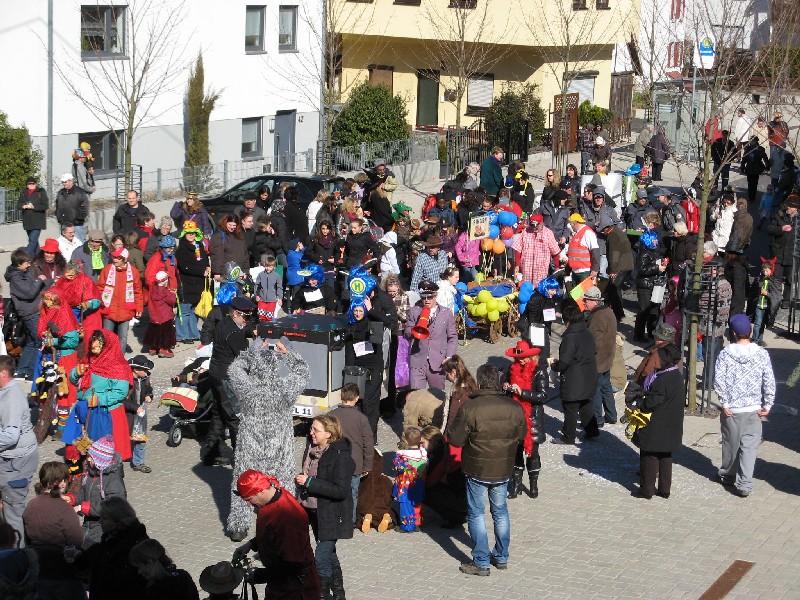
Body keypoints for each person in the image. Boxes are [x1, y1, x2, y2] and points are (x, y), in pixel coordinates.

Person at [225, 338, 309, 542]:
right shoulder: (284, 389)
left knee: (243, 480)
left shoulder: (247, 388)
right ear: (275, 368)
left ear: (254, 367)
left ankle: (238, 525)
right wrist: (288, 352)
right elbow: (302, 372)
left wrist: (251, 352)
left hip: (250, 444)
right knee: (283, 482)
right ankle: (285, 519)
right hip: (278, 445)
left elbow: (234, 369)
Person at [447, 363, 525, 576]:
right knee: (500, 511)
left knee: (477, 513)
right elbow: (521, 435)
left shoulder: (470, 407)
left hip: (477, 468)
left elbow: (455, 439)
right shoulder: (514, 407)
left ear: (480, 383)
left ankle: (481, 561)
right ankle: (501, 556)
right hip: (503, 468)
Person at [232, 470, 320, 599]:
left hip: (295, 589)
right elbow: (272, 532)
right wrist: (251, 544)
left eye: (249, 499)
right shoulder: (273, 497)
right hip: (281, 584)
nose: (248, 504)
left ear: (261, 491)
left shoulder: (287, 518)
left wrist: (259, 575)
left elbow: (292, 566)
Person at [714, 314, 775, 497]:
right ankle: (745, 484)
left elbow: (719, 380)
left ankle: (728, 475)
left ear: (733, 333)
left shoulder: (725, 354)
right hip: (754, 408)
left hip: (732, 409)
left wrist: (724, 402)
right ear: (750, 331)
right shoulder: (761, 354)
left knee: (730, 444)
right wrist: (768, 403)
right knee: (749, 447)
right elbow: (769, 380)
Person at [295, 416, 354, 599]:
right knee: (329, 555)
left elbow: (340, 490)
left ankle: (321, 595)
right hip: (314, 510)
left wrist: (310, 482)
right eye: (311, 428)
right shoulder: (312, 449)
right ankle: (339, 594)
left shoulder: (341, 456)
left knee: (320, 558)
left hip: (332, 514)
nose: (311, 433)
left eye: (316, 430)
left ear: (329, 434)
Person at [62, 330, 134, 461]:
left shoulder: (118, 366)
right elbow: (75, 381)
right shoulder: (89, 359)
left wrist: (100, 400)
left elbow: (120, 392)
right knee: (80, 445)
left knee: (102, 451)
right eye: (93, 341)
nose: (93, 346)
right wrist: (76, 373)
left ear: (108, 345)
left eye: (99, 342)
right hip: (85, 407)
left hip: (105, 412)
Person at [202, 296, 256, 466]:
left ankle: (212, 454)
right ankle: (241, 460)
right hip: (227, 378)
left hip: (216, 373)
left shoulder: (224, 323)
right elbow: (245, 357)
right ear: (236, 314)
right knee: (235, 417)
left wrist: (250, 331)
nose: (247, 321)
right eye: (245, 317)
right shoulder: (233, 334)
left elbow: (241, 330)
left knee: (219, 414)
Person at [22, 462, 85, 599]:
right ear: (62, 482)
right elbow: (76, 540)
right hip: (60, 568)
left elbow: (27, 536)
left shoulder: (31, 505)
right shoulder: (65, 509)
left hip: (36, 565)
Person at [631, 343, 685, 499]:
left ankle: (646, 490)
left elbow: (651, 402)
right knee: (665, 456)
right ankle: (664, 490)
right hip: (672, 425)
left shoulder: (662, 379)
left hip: (656, 425)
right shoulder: (676, 375)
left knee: (649, 456)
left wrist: (639, 403)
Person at [72, 496, 149, 600]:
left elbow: (114, 576)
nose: (100, 522)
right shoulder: (110, 536)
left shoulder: (133, 544)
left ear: (119, 521)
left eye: (104, 518)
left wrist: (93, 549)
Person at [345, 279, 392, 442]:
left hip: (373, 369)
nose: (358, 313)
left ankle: (371, 438)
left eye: (361, 310)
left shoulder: (372, 321)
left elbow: (387, 322)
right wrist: (349, 373)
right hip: (358, 370)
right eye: (356, 311)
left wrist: (371, 309)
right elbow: (350, 353)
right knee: (357, 403)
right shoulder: (351, 327)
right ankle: (358, 436)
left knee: (369, 405)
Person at [0, 355, 39, 545]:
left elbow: (10, 436)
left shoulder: (12, 397)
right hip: (11, 459)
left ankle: (17, 553)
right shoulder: (6, 391)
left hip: (16, 462)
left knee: (13, 511)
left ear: (3, 373)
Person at [503, 341, 548, 500]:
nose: (521, 359)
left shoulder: (539, 371)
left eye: (524, 357)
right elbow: (505, 392)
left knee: (532, 453)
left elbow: (542, 396)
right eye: (518, 357)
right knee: (515, 452)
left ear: (531, 356)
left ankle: (533, 485)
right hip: (515, 418)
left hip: (532, 418)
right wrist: (506, 388)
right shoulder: (511, 369)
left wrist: (523, 393)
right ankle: (516, 485)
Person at [549, 302, 599, 445]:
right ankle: (592, 432)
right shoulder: (587, 332)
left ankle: (568, 436)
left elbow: (564, 362)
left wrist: (554, 366)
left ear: (568, 321)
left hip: (574, 379)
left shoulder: (570, 337)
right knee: (586, 405)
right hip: (589, 375)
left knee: (570, 408)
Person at [37, 289, 81, 437]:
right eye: (45, 299)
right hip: (49, 357)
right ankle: (47, 421)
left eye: (51, 300)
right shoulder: (46, 313)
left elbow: (73, 340)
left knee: (63, 391)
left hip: (64, 359)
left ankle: (63, 426)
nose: (47, 303)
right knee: (47, 390)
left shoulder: (64, 315)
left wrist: (54, 341)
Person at [70, 435, 128, 546]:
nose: (88, 459)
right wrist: (72, 498)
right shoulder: (92, 472)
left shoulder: (114, 480)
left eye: (91, 457)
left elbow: (112, 506)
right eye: (89, 456)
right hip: (89, 524)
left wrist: (83, 508)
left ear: (100, 461)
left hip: (104, 528)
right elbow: (85, 493)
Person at [328, 383, 373, 524]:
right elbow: (368, 444)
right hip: (355, 463)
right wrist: (368, 465)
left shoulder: (331, 416)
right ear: (357, 398)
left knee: (334, 491)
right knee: (352, 493)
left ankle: (335, 518)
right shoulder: (361, 418)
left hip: (335, 461)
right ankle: (350, 521)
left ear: (340, 396)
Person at [405, 279, 457, 393]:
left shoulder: (446, 313)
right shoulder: (415, 311)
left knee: (437, 396)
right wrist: (415, 329)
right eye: (423, 297)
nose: (426, 300)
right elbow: (407, 332)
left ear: (435, 296)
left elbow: (452, 337)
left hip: (438, 362)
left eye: (430, 297)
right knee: (416, 396)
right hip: (418, 361)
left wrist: (449, 357)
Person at [4, 249, 45, 380]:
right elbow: (29, 293)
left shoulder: (24, 272)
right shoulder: (16, 278)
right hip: (29, 312)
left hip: (34, 310)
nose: (29, 265)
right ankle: (31, 371)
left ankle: (22, 370)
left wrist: (49, 282)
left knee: (32, 341)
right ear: (19, 264)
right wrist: (38, 280)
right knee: (39, 340)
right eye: (26, 263)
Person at [584, 286, 618, 427]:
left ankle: (597, 419)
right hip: (607, 358)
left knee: (596, 391)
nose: (584, 303)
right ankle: (611, 415)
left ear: (594, 301)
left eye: (586, 300)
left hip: (598, 361)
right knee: (606, 388)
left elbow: (595, 344)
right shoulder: (608, 311)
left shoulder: (597, 318)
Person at [98, 247, 144, 351]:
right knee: (107, 337)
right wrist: (101, 303)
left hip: (125, 310)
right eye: (114, 257)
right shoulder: (107, 270)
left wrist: (139, 308)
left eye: (118, 258)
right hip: (109, 310)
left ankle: (120, 358)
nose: (115, 260)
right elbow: (100, 288)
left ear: (124, 259)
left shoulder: (133, 272)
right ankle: (106, 357)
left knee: (122, 338)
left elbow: (137, 291)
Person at [175, 220, 210, 343]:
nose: (191, 235)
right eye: (189, 233)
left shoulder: (199, 246)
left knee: (194, 311)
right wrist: (201, 271)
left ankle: (192, 333)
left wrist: (207, 267)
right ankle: (181, 334)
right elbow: (184, 266)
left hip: (198, 284)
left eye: (193, 233)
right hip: (187, 284)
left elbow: (205, 259)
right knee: (184, 311)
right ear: (184, 234)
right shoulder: (181, 249)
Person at [128, 539, 200, 599]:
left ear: (150, 563)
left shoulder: (156, 591)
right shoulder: (183, 575)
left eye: (139, 567)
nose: (139, 572)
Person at [393, 426, 428, 533]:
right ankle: (417, 522)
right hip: (419, 483)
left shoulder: (402, 455)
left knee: (405, 504)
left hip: (406, 485)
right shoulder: (423, 454)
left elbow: (399, 468)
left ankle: (407, 526)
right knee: (416, 502)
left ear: (407, 441)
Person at [634, 231, 667, 342]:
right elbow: (642, 269)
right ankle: (639, 334)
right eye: (654, 239)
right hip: (645, 285)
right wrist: (657, 268)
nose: (656, 241)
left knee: (654, 310)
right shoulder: (643, 253)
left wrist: (661, 266)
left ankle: (651, 331)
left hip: (652, 284)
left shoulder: (652, 252)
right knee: (644, 310)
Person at [766, 195, 799, 308]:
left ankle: (786, 300)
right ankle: (775, 298)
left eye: (791, 206)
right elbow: (769, 229)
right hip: (778, 253)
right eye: (788, 205)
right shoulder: (779, 216)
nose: (788, 207)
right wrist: (781, 229)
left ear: (796, 208)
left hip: (792, 255)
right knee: (776, 279)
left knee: (790, 279)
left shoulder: (798, 221)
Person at [512, 214, 561, 287]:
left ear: (541, 223)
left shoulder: (548, 233)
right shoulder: (526, 231)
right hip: (526, 269)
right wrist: (517, 265)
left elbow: (555, 252)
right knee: (526, 288)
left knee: (540, 289)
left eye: (536, 226)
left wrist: (557, 267)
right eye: (532, 225)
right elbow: (518, 249)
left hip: (541, 270)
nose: (534, 228)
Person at [125, 355, 154, 473]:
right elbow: (121, 400)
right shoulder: (125, 380)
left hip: (140, 413)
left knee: (140, 437)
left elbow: (148, 389)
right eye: (145, 370)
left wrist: (149, 395)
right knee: (122, 437)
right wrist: (135, 407)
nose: (147, 373)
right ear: (136, 370)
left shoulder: (144, 378)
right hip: (127, 414)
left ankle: (138, 462)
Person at [144, 271, 177, 358]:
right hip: (165, 316)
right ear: (165, 281)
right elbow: (173, 301)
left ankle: (153, 348)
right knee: (166, 334)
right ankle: (164, 349)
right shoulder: (166, 292)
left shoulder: (152, 290)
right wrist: (173, 294)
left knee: (155, 332)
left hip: (154, 316)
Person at [210, 214, 249, 280]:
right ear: (225, 223)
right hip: (225, 273)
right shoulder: (219, 236)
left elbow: (245, 255)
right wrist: (217, 272)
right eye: (230, 225)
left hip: (239, 273)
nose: (232, 227)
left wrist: (246, 271)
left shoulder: (240, 236)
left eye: (234, 225)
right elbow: (217, 256)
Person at [564, 212, 600, 284]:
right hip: (575, 270)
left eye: (571, 224)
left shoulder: (588, 233)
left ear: (574, 223)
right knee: (576, 291)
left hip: (585, 271)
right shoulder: (576, 234)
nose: (570, 227)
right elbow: (573, 254)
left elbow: (595, 251)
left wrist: (595, 269)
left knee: (585, 291)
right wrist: (568, 269)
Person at [752, 258, 781, 345]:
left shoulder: (774, 281)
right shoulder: (759, 279)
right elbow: (753, 290)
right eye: (764, 271)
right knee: (757, 323)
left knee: (762, 324)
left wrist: (767, 293)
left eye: (767, 271)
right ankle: (755, 339)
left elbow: (776, 296)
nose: (765, 273)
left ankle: (760, 339)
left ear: (771, 270)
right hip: (758, 305)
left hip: (766, 306)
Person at [18, 176, 49, 256]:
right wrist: (23, 206)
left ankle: (26, 257)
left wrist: (34, 207)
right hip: (27, 221)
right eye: (29, 184)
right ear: (27, 185)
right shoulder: (24, 192)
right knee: (34, 242)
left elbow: (45, 205)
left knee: (32, 241)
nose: (31, 185)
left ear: (36, 184)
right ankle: (39, 257)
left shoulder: (41, 192)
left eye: (33, 184)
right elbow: (18, 204)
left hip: (38, 221)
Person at [55, 173, 89, 243]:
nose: (64, 184)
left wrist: (78, 218)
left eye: (65, 182)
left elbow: (85, 207)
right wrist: (59, 216)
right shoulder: (61, 192)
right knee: (63, 243)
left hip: (76, 224)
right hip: (63, 223)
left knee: (79, 242)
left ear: (71, 181)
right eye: (62, 182)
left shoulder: (79, 192)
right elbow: (58, 205)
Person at [741, 135, 770, 204]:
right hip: (749, 168)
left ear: (755, 141)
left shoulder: (760, 149)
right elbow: (744, 159)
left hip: (756, 168)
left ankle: (752, 197)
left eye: (752, 141)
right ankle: (750, 196)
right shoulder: (748, 149)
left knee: (754, 183)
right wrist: (742, 168)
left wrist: (767, 167)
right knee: (750, 183)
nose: (750, 142)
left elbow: (765, 158)